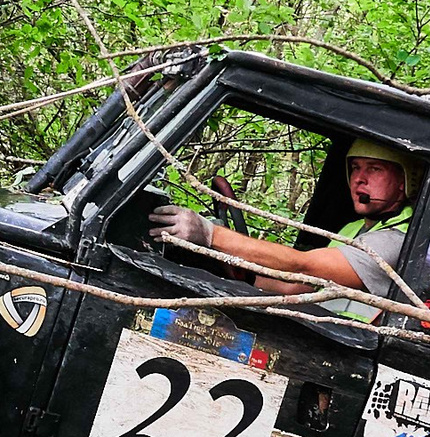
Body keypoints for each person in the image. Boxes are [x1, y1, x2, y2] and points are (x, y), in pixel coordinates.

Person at [148, 135, 414, 322]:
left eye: (374, 169)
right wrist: (244, 275)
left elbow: (303, 265)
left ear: (404, 181)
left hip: (345, 352)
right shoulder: (354, 228)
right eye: (355, 168)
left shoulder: (398, 241)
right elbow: (299, 287)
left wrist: (210, 234)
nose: (359, 179)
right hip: (321, 332)